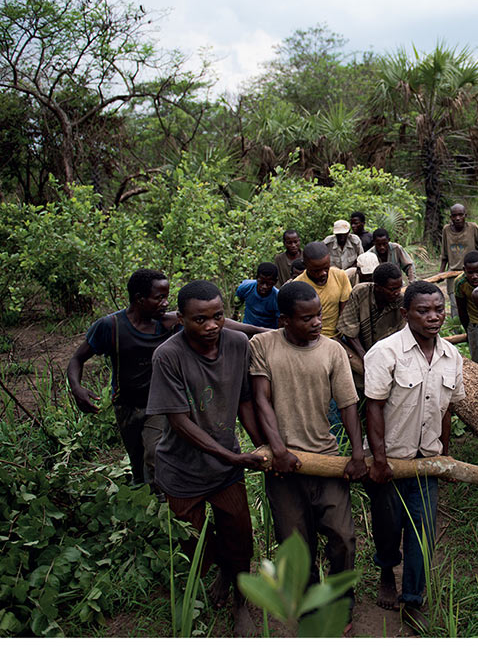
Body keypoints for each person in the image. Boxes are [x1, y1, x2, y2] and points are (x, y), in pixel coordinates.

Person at [146, 280, 267, 636]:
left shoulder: (237, 343)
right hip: (182, 469)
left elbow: (245, 400)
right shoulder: (168, 356)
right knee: (195, 541)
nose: (211, 326)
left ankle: (240, 600)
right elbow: (178, 420)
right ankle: (222, 570)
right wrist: (230, 456)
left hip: (226, 468)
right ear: (180, 319)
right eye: (200, 320)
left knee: (240, 535)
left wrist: (260, 448)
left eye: (218, 316)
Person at [67, 269, 263, 487]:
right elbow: (77, 359)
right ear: (139, 299)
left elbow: (227, 324)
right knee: (138, 458)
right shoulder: (110, 327)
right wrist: (77, 388)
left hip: (161, 404)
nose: (165, 303)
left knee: (154, 454)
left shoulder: (169, 322)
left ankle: (165, 502)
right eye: (159, 298)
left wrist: (265, 331)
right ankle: (144, 496)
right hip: (126, 404)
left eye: (167, 297)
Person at [249, 281, 367, 632]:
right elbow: (261, 400)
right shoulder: (263, 345)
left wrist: (357, 454)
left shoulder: (333, 351)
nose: (317, 322)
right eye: (307, 317)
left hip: (326, 459)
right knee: (295, 542)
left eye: (319, 314)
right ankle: (307, 602)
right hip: (283, 466)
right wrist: (279, 450)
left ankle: (340, 601)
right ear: (284, 319)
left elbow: (348, 405)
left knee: (342, 537)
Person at [363, 281, 466, 632]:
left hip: (427, 461)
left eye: (439, 310)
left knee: (423, 531)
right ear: (406, 314)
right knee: (389, 526)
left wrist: (446, 457)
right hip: (390, 459)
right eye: (424, 311)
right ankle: (386, 572)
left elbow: (447, 411)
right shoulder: (385, 353)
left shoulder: (452, 357)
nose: (434, 317)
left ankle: (412, 599)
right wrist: (378, 460)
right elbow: (373, 409)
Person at [336, 262, 406, 370]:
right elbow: (349, 330)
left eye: (399, 288)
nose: (397, 292)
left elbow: (401, 336)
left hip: (387, 351)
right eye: (392, 289)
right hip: (359, 347)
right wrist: (365, 357)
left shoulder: (401, 302)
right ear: (378, 287)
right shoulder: (360, 292)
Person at [293, 241, 352, 339]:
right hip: (311, 338)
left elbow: (344, 314)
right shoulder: (298, 286)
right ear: (305, 265)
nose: (323, 273)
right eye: (316, 270)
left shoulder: (340, 276)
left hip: (339, 336)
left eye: (326, 268)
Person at [440, 203, 478, 317]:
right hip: (453, 274)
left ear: (465, 215)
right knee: (455, 306)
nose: (457, 218)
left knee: (473, 302)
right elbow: (444, 254)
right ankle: (458, 331)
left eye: (460, 215)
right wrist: (441, 273)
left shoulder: (472, 228)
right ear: (451, 217)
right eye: (454, 216)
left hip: (472, 274)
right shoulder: (446, 230)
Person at [453, 251, 478, 364]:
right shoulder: (460, 283)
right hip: (476, 325)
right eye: (470, 273)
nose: (474, 276)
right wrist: (469, 331)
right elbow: (462, 309)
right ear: (464, 270)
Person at [235, 262, 279, 329]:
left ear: (275, 282)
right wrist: (235, 315)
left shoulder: (277, 298)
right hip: (248, 328)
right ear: (256, 278)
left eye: (269, 284)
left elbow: (280, 321)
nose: (264, 286)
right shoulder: (245, 287)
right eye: (261, 282)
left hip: (268, 332)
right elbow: (237, 302)